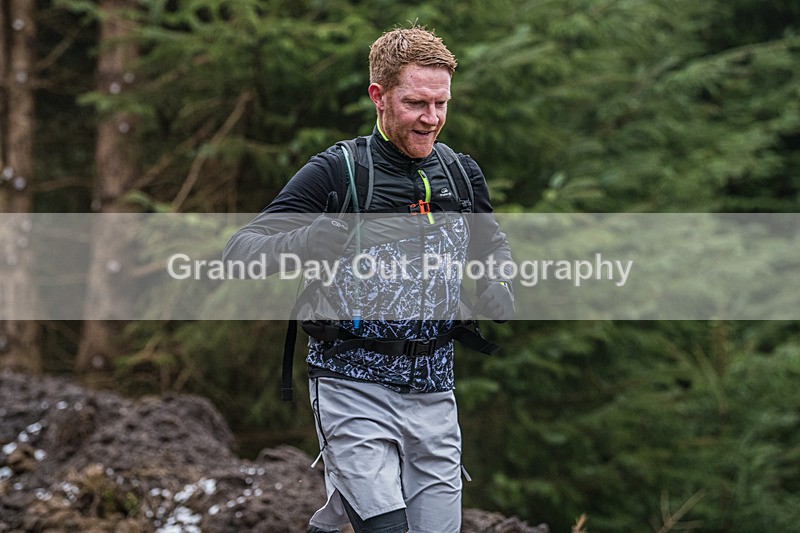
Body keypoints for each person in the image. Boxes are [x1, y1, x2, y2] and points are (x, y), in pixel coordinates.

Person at [224, 25, 514, 533]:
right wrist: (302, 243)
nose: (432, 119)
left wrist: (497, 281)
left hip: (435, 393)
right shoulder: (338, 172)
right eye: (416, 103)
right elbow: (238, 253)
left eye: (441, 103)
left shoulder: (462, 174)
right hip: (350, 387)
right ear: (378, 96)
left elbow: (492, 245)